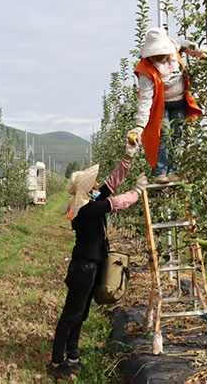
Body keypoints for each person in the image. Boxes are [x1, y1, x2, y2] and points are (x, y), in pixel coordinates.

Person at [49, 138, 149, 379]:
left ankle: (72, 357)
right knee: (71, 315)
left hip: (89, 267)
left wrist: (128, 157)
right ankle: (55, 363)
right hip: (82, 268)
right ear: (86, 190)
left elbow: (112, 183)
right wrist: (137, 191)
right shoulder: (88, 209)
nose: (97, 184)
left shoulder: (91, 200)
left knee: (81, 314)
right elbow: (116, 202)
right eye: (93, 183)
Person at [128, 27, 203, 183]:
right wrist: (139, 126)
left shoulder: (173, 46)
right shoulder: (146, 69)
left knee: (176, 136)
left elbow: (187, 45)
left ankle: (172, 171)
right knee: (164, 135)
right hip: (161, 105)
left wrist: (200, 51)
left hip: (180, 101)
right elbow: (145, 98)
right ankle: (159, 173)